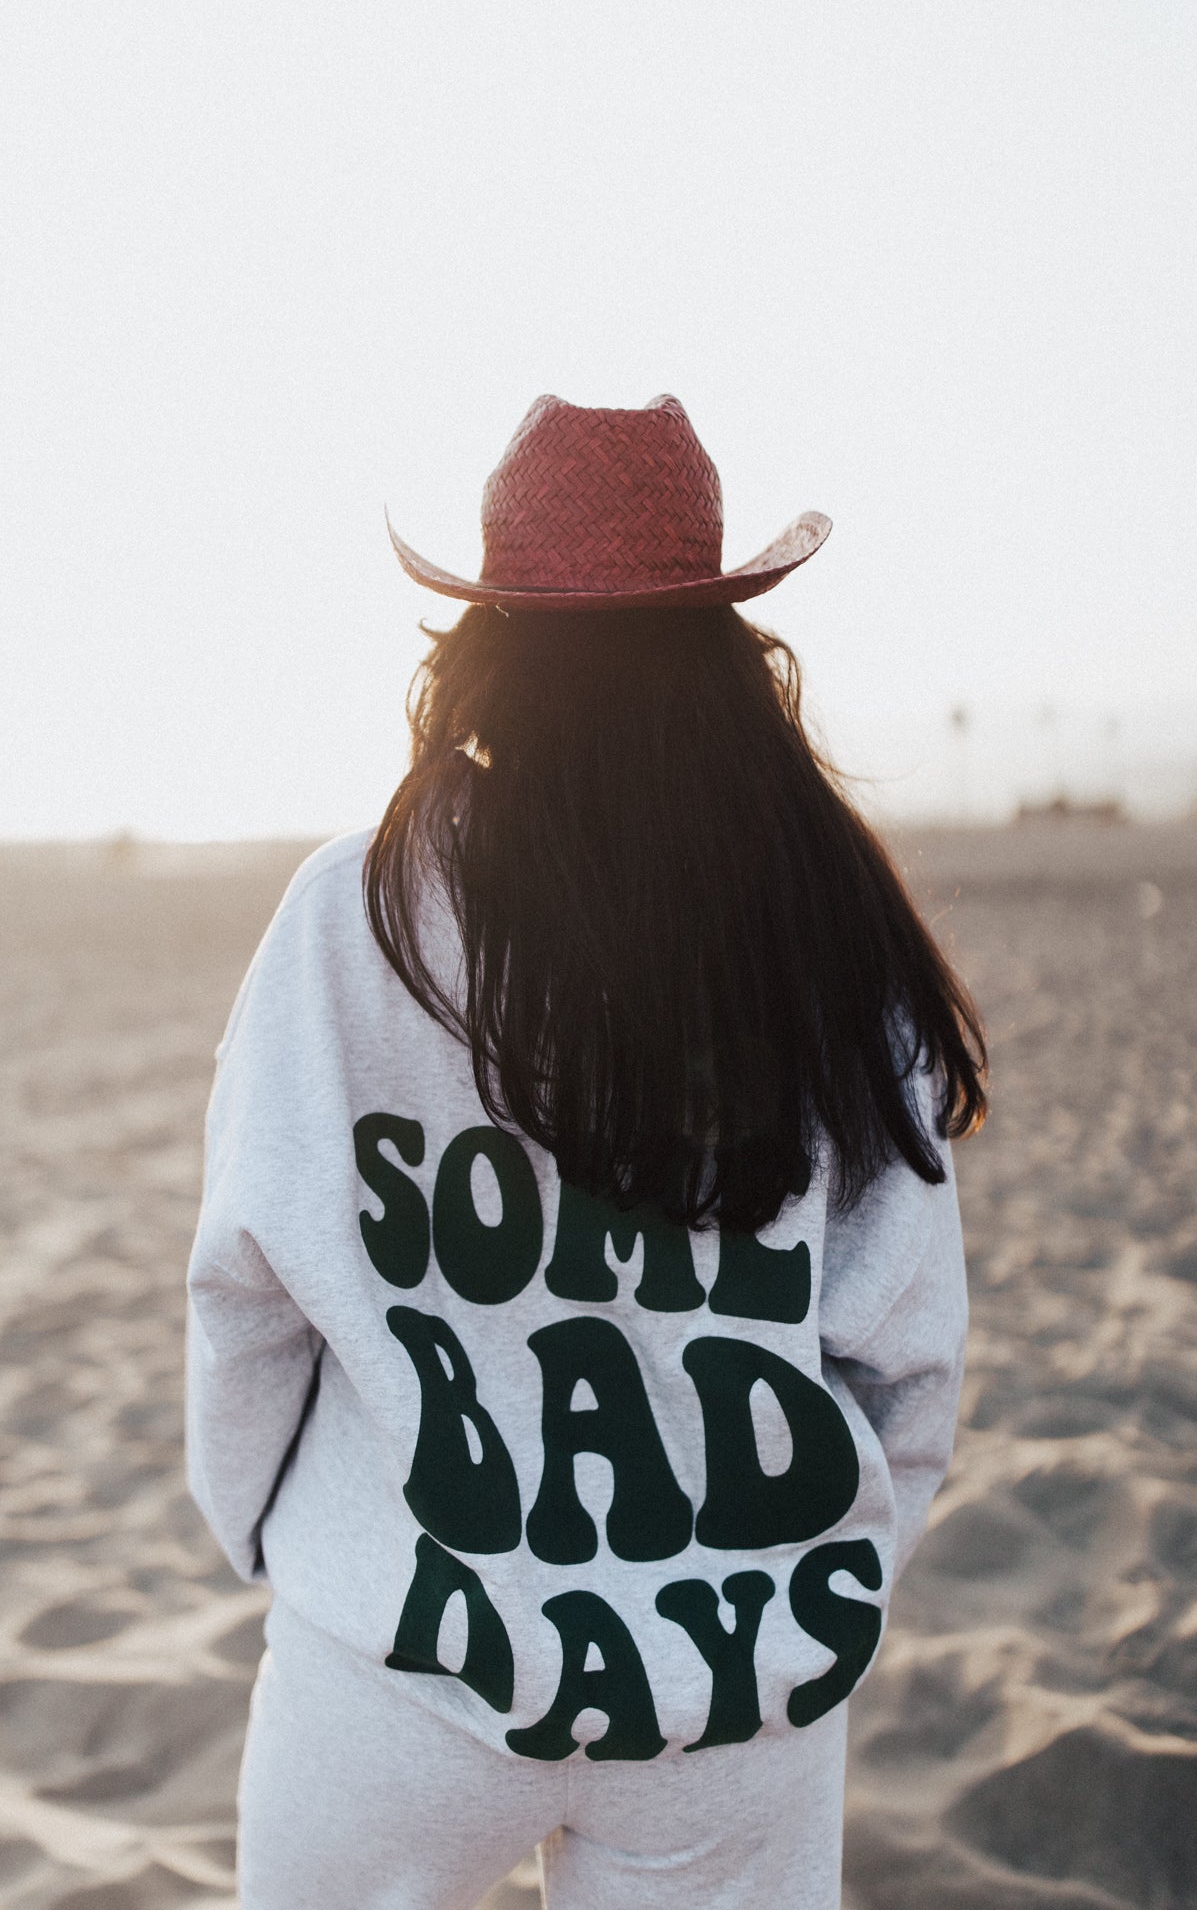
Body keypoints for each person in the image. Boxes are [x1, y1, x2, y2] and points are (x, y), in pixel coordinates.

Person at [186, 394, 987, 1909]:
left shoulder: (349, 914)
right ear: (725, 657)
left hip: (399, 1662)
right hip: (735, 1691)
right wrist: (813, 1594)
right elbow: (905, 1355)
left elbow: (245, 1295)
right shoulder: (825, 927)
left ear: (485, 644)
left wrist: (276, 1543)